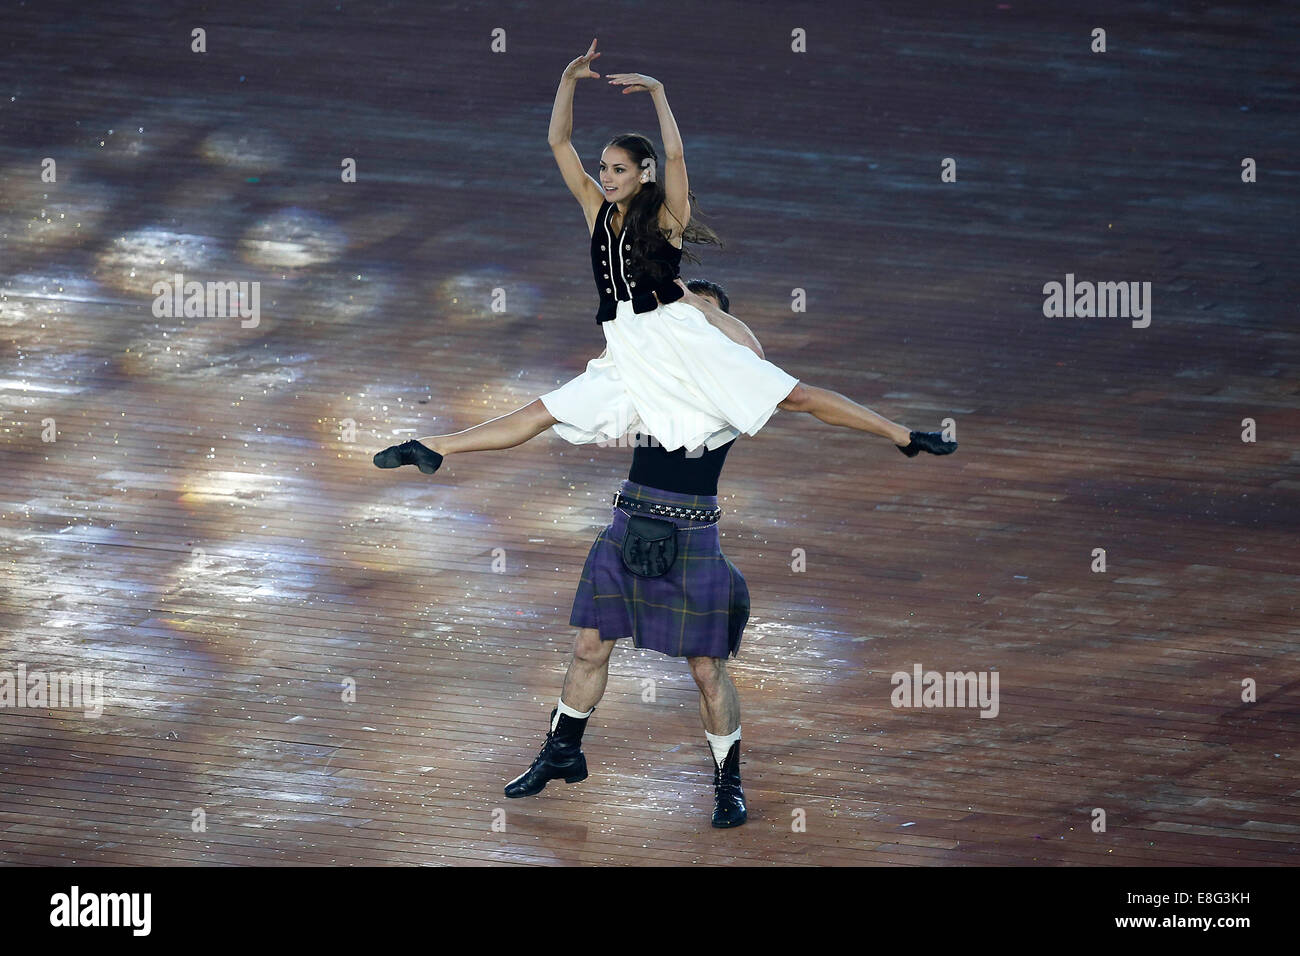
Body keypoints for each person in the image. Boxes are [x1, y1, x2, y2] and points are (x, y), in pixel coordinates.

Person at [372, 37, 957, 478]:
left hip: (675, 333)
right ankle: (433, 448)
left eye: (618, 169)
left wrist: (658, 93)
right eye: (603, 168)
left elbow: (676, 158)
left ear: (640, 173)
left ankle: (902, 435)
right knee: (544, 411)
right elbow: (556, 142)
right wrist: (567, 79)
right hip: (626, 342)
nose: (605, 177)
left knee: (793, 395)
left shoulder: (666, 219)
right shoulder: (595, 209)